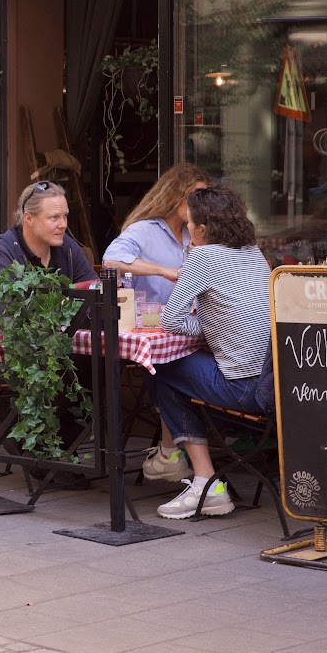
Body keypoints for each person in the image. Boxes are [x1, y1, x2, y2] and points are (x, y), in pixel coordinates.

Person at [147, 184, 273, 521]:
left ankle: (203, 480)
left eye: (188, 223)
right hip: (276, 384)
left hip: (245, 390)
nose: (187, 230)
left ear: (202, 228)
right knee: (183, 375)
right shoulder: (253, 252)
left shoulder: (202, 256)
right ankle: (179, 462)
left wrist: (205, 328)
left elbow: (171, 321)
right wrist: (217, 327)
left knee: (162, 369)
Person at [102, 163, 208, 482]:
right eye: (194, 196)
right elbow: (111, 261)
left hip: (189, 328)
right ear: (174, 194)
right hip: (155, 328)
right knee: (166, 369)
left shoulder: (196, 232)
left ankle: (171, 453)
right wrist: (162, 270)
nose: (199, 205)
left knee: (180, 368)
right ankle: (171, 453)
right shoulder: (144, 230)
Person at [0, 182, 95, 284]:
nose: (63, 225)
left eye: (65, 216)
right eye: (54, 217)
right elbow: (3, 309)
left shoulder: (67, 247)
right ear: (28, 218)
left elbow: (95, 293)